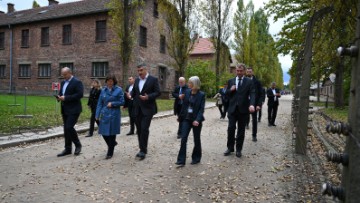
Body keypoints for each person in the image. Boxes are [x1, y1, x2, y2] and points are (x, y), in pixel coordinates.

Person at [223, 64, 255, 158]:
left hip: (243, 110)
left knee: (241, 131)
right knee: (231, 128)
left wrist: (252, 104)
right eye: (237, 71)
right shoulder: (231, 81)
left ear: (244, 71)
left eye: (241, 71)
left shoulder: (249, 82)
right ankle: (230, 147)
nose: (239, 72)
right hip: (232, 110)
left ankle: (239, 149)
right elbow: (226, 95)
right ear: (235, 71)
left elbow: (252, 93)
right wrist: (230, 90)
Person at [131, 62, 161, 160]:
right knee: (139, 130)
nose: (139, 72)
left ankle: (143, 151)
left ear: (146, 69)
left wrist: (148, 97)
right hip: (137, 109)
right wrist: (130, 95)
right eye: (138, 71)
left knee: (144, 129)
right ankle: (141, 148)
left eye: (141, 70)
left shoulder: (153, 79)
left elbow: (158, 92)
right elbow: (135, 92)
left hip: (148, 109)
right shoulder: (136, 81)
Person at [175, 76, 205, 166]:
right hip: (186, 119)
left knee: (196, 139)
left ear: (195, 84)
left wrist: (197, 120)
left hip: (196, 120)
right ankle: (181, 160)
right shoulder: (187, 92)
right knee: (183, 138)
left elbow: (201, 109)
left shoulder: (201, 95)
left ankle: (196, 158)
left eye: (190, 83)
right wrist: (180, 117)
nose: (188, 84)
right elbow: (184, 106)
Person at [56, 67, 84, 157]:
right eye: (62, 75)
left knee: (69, 127)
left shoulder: (77, 82)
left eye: (65, 75)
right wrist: (59, 97)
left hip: (74, 109)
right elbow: (62, 93)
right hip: (65, 108)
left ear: (69, 73)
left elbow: (80, 94)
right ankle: (68, 148)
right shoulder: (63, 82)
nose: (63, 76)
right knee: (66, 129)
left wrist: (66, 98)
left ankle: (78, 145)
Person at [95, 75, 125, 159]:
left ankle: (110, 152)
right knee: (103, 132)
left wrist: (113, 104)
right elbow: (100, 103)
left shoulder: (118, 90)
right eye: (108, 81)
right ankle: (112, 144)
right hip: (105, 114)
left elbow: (122, 102)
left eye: (111, 81)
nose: (109, 83)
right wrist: (97, 115)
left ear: (114, 81)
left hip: (114, 114)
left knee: (112, 133)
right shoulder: (103, 90)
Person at [245, 67, 264, 142]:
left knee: (254, 120)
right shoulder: (244, 81)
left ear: (252, 72)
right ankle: (240, 135)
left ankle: (254, 135)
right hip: (245, 103)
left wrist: (259, 104)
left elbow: (261, 94)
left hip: (255, 103)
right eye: (248, 72)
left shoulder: (257, 82)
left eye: (250, 72)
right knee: (242, 119)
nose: (249, 73)